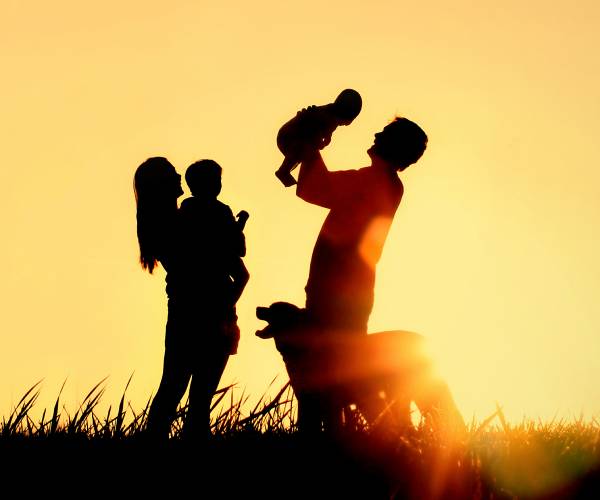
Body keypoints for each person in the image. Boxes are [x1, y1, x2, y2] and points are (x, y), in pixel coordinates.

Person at [133, 157, 249, 440]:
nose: (179, 176)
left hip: (198, 311)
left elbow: (231, 259)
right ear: (161, 185)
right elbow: (229, 259)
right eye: (173, 173)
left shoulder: (177, 220)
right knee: (184, 392)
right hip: (202, 312)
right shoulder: (175, 223)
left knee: (181, 389)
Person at [296, 116, 428, 336]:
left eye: (385, 133)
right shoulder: (387, 184)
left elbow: (313, 188)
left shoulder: (374, 181)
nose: (376, 135)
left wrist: (309, 142)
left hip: (336, 291)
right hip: (347, 291)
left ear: (395, 144)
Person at [275, 89, 362, 187]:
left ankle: (303, 176)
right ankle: (283, 171)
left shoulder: (332, 118)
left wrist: (326, 138)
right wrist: (319, 142)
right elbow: (314, 130)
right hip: (289, 137)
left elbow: (326, 131)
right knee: (302, 149)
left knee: (307, 153)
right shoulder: (327, 117)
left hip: (296, 137)